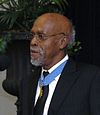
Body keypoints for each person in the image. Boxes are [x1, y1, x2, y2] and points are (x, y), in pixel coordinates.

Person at [21, 13, 100, 115]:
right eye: (32, 35)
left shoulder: (91, 78)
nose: (33, 42)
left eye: (41, 36)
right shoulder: (27, 82)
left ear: (62, 42)